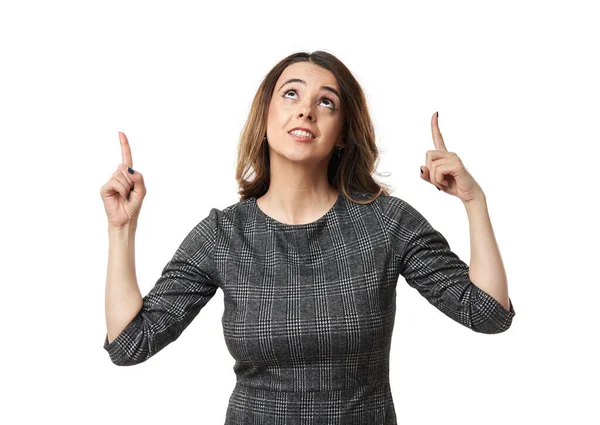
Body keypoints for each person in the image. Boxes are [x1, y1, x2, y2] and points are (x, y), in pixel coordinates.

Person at [100, 50, 515, 424]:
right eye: (291, 95)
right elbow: (130, 344)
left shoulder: (387, 223)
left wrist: (473, 200)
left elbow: (489, 314)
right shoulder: (223, 235)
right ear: (265, 117)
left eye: (326, 102)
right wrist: (122, 229)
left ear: (342, 135)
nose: (306, 111)